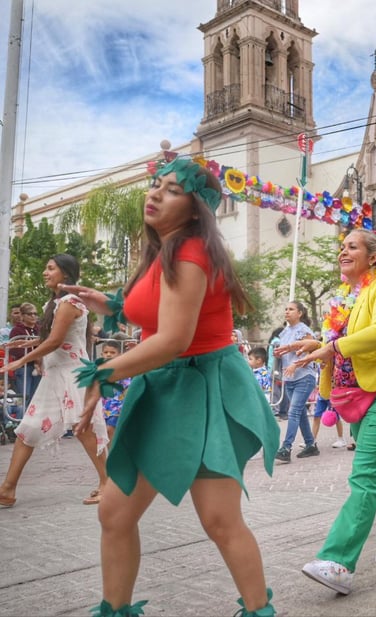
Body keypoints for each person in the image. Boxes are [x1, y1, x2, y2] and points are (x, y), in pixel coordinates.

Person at [69, 158, 279, 616]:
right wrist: (109, 303)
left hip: (205, 391)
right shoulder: (163, 251)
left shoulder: (190, 253)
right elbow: (152, 312)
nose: (155, 194)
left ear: (196, 207)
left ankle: (260, 610)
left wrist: (104, 372)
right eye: (155, 185)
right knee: (115, 512)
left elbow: (173, 339)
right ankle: (115, 610)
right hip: (164, 388)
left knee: (221, 520)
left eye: (171, 189)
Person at [294, 229, 376, 596]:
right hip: (360, 395)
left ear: (373, 257)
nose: (342, 252)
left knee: (365, 473)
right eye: (342, 247)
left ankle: (338, 563)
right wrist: (317, 343)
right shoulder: (349, 295)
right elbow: (343, 340)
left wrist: (331, 347)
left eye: (352, 247)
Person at [0, 255, 109, 508]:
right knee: (27, 429)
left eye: (50, 268)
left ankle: (109, 483)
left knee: (85, 429)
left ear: (65, 274)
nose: (45, 272)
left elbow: (56, 341)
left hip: (73, 374)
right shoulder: (58, 302)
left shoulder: (70, 301)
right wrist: (29, 343)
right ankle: (7, 489)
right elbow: (56, 338)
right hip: (56, 375)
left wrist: (19, 361)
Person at [272, 301, 320, 464]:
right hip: (289, 378)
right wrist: (279, 354)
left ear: (300, 313)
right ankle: (310, 445)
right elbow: (287, 353)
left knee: (293, 412)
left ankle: (286, 448)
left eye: (291, 309)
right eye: (286, 308)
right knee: (298, 413)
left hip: (304, 377)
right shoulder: (284, 332)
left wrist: (295, 364)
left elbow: (311, 352)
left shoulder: (304, 330)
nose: (287, 311)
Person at [99, 340, 132, 448]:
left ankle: (113, 457)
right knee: (105, 433)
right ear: (101, 354)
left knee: (110, 430)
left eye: (112, 352)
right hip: (103, 407)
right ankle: (110, 456)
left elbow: (127, 388)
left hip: (117, 406)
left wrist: (127, 405)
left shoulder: (122, 370)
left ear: (119, 355)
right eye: (106, 352)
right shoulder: (98, 370)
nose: (108, 354)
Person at [8, 302, 41, 408]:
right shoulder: (16, 330)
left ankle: (31, 422)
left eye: (35, 314)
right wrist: (35, 358)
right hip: (24, 368)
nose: (33, 316)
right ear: (22, 316)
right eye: (29, 314)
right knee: (22, 397)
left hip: (40, 367)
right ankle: (18, 420)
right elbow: (16, 350)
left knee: (36, 397)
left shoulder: (40, 329)